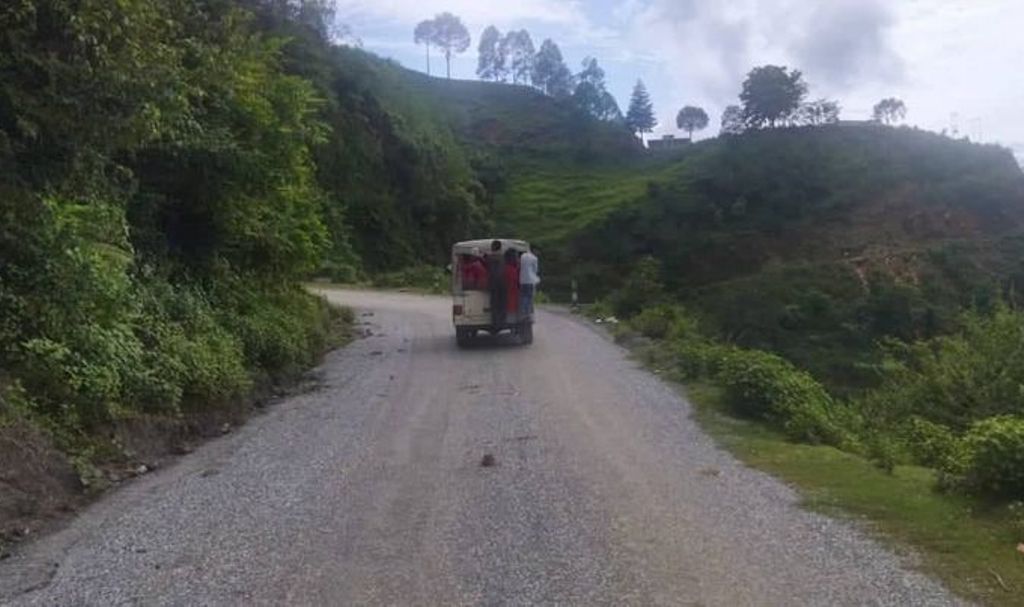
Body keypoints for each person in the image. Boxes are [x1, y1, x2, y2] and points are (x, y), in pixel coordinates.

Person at [485, 240, 506, 327]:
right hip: (503, 282)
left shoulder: (489, 256)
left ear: (493, 247)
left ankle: (495, 321)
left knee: (494, 302)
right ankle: (502, 320)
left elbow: (485, 261)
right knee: (502, 302)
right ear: (500, 247)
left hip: (493, 281)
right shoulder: (503, 256)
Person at [519, 244, 540, 316]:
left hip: (521, 280)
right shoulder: (534, 258)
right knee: (529, 297)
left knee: (523, 296)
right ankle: (527, 312)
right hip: (530, 280)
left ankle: (522, 311)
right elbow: (535, 270)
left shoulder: (522, 256)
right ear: (534, 250)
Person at [503, 248, 520, 321]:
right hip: (511, 299)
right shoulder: (510, 270)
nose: (518, 259)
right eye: (516, 257)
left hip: (511, 299)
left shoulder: (511, 268)